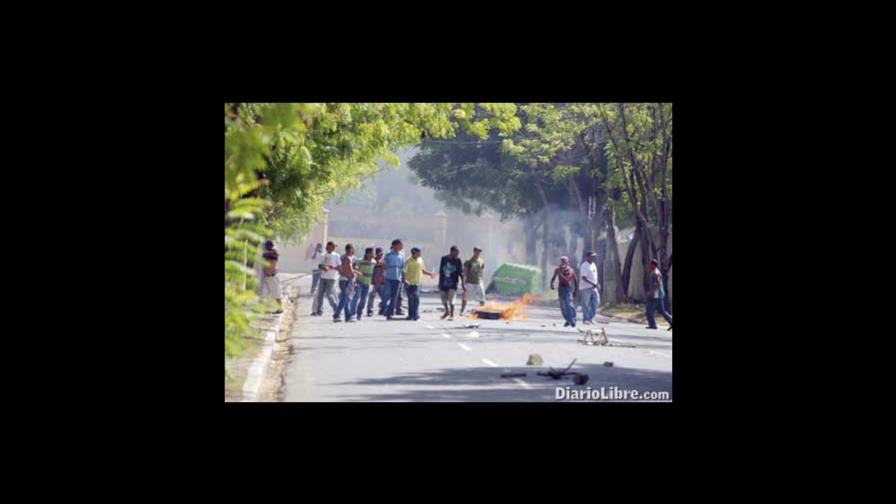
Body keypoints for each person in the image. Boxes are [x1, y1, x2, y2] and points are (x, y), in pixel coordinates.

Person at [402, 247, 436, 321]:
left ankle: (415, 314)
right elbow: (404, 271)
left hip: (418, 283)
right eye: (418, 252)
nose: (420, 254)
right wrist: (405, 280)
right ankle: (411, 315)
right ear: (414, 253)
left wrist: (430, 274)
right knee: (411, 299)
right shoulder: (408, 261)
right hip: (409, 283)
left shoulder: (420, 260)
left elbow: (422, 270)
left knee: (416, 298)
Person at [311, 241, 340, 316]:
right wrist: (323, 267)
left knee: (329, 295)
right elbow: (319, 265)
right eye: (330, 247)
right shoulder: (323, 255)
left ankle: (336, 308)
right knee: (320, 295)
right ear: (327, 247)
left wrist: (331, 267)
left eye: (333, 247)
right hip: (323, 277)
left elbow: (339, 267)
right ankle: (319, 311)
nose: (332, 248)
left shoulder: (336, 256)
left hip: (332, 278)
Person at [334, 244, 361, 323]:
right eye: (353, 249)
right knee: (345, 298)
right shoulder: (347, 258)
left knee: (346, 298)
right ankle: (337, 314)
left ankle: (347, 316)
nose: (354, 250)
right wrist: (355, 273)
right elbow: (350, 269)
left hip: (345, 279)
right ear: (350, 250)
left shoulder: (345, 257)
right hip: (346, 280)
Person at [438, 245, 465, 321]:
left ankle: (452, 314)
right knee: (443, 298)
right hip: (444, 282)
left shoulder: (458, 260)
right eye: (456, 252)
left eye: (458, 253)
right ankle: (447, 311)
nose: (457, 254)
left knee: (452, 299)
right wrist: (439, 283)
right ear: (451, 251)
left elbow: (461, 273)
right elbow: (441, 271)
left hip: (453, 282)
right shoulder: (444, 259)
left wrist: (463, 284)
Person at [550, 256, 579, 327]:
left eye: (564, 261)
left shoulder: (571, 270)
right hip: (561, 289)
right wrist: (552, 284)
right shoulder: (558, 270)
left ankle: (573, 319)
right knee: (563, 306)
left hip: (568, 289)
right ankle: (568, 320)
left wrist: (575, 290)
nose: (563, 263)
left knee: (569, 304)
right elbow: (554, 277)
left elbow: (575, 281)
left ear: (568, 262)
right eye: (562, 261)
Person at [645, 259, 673, 330]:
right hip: (656, 295)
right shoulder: (654, 272)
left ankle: (653, 325)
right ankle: (653, 324)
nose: (649, 266)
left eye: (650, 264)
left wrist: (650, 292)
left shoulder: (656, 273)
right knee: (662, 311)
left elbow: (658, 284)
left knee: (649, 309)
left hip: (656, 295)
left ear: (653, 265)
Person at [383, 239, 406, 320]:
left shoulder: (402, 256)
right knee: (387, 293)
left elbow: (403, 268)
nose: (402, 246)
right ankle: (384, 307)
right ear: (395, 245)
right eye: (400, 244)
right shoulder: (388, 255)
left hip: (398, 278)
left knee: (395, 296)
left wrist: (404, 278)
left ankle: (390, 313)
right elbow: (384, 266)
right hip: (389, 277)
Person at [460, 247, 486, 316]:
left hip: (479, 281)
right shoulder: (468, 261)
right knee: (465, 296)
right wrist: (463, 282)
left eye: (479, 251)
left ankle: (482, 311)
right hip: (470, 282)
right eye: (477, 251)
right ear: (474, 251)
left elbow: (482, 270)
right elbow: (465, 272)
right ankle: (462, 310)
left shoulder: (481, 261)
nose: (478, 253)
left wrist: (482, 280)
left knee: (482, 296)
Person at [351, 247, 376, 321]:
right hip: (359, 282)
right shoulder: (360, 260)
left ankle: (359, 313)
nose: (374, 254)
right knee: (356, 298)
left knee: (363, 299)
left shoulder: (374, 262)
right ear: (368, 253)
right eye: (372, 253)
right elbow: (353, 266)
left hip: (367, 283)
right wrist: (356, 271)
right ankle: (353, 314)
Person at [260, 240, 283, 314]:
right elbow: (264, 255)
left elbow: (275, 253)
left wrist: (266, 253)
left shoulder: (274, 253)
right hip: (267, 277)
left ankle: (280, 309)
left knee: (276, 294)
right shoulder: (267, 254)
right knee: (264, 293)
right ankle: (264, 309)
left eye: (267, 246)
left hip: (273, 277)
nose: (266, 248)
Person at [578, 251, 600, 324]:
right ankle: (586, 319)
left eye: (594, 256)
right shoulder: (584, 265)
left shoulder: (593, 264)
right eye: (591, 256)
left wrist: (596, 284)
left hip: (594, 287)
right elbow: (584, 277)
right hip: (585, 288)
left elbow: (594, 276)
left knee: (596, 302)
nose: (593, 258)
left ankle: (591, 318)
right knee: (586, 304)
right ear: (587, 257)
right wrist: (593, 283)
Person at [367, 247, 388, 316]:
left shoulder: (383, 261)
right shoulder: (373, 261)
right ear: (376, 254)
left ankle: (383, 309)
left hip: (382, 282)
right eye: (379, 254)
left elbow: (385, 271)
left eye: (381, 254)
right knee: (372, 296)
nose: (380, 255)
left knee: (383, 297)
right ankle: (370, 310)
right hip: (374, 282)